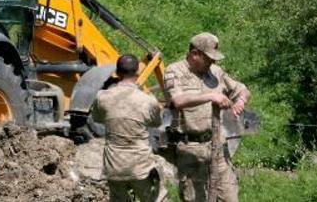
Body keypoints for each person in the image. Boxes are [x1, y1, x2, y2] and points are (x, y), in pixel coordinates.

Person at [164, 32, 251, 202]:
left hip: (217, 146)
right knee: (196, 198)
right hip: (191, 149)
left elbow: (242, 89)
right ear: (195, 54)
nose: (213, 62)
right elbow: (178, 100)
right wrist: (211, 96)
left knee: (230, 197)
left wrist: (241, 100)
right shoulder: (175, 71)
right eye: (209, 58)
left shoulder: (216, 72)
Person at [92, 54, 166, 202]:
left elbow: (97, 118)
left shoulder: (102, 97)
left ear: (117, 73)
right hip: (140, 166)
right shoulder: (147, 100)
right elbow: (156, 123)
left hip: (114, 165)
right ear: (138, 71)